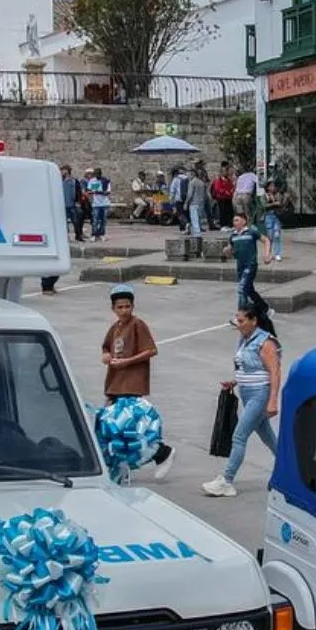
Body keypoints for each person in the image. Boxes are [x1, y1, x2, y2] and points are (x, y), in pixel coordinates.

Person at [202, 302, 282, 497]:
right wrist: (235, 382)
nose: (238, 324)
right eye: (236, 320)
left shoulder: (266, 342)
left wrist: (273, 400)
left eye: (241, 320)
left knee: (239, 436)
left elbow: (275, 372)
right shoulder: (245, 339)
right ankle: (289, 469)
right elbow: (246, 367)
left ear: (254, 321)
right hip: (247, 393)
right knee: (268, 438)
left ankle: (227, 480)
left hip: (259, 395)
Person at [100, 284, 175, 480]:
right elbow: (106, 347)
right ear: (113, 309)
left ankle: (162, 452)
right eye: (120, 307)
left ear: (133, 306)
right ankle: (121, 467)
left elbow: (151, 350)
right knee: (115, 429)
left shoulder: (137, 325)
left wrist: (127, 361)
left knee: (130, 428)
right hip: (115, 382)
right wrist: (107, 356)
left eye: (127, 306)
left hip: (131, 383)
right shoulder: (115, 327)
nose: (124, 310)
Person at [230, 211, 262, 308]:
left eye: (237, 220)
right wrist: (227, 251)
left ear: (244, 221)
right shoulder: (233, 236)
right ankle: (263, 307)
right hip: (240, 266)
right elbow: (230, 251)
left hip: (250, 265)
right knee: (249, 290)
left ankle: (241, 313)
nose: (235, 223)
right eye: (234, 221)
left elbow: (266, 240)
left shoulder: (251, 232)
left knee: (242, 289)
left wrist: (267, 254)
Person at [261, 180, 288, 261]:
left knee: (277, 235)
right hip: (268, 216)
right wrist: (273, 204)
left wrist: (284, 200)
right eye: (271, 186)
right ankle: (269, 253)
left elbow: (282, 204)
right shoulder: (264, 196)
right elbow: (263, 205)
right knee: (270, 235)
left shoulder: (278, 195)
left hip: (277, 216)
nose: (273, 187)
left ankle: (277, 254)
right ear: (267, 187)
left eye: (274, 186)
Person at [87, 168, 112, 240]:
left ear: (100, 174)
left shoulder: (106, 181)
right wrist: (96, 192)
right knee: (95, 220)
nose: (96, 176)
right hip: (95, 203)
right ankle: (94, 234)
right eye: (95, 174)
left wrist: (96, 192)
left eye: (97, 174)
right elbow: (89, 190)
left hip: (104, 203)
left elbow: (107, 192)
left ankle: (102, 234)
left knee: (103, 220)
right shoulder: (92, 181)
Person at [211, 163, 235, 230]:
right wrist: (225, 192)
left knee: (229, 211)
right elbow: (217, 188)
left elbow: (231, 187)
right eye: (225, 171)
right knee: (222, 211)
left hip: (228, 197)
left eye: (227, 171)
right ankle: (223, 224)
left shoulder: (228, 179)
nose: (226, 172)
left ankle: (229, 224)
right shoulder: (218, 179)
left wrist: (231, 191)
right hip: (221, 198)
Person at [187, 164, 209, 236]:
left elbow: (190, 194)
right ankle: (198, 232)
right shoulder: (202, 183)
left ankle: (197, 235)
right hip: (201, 203)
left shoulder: (192, 182)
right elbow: (205, 194)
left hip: (194, 203)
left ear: (193, 174)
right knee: (199, 219)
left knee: (195, 220)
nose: (188, 176)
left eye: (189, 174)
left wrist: (186, 203)